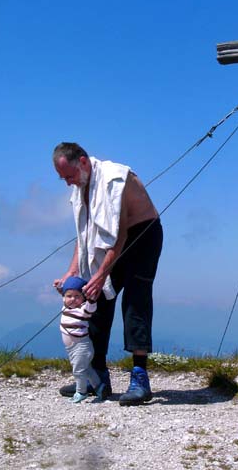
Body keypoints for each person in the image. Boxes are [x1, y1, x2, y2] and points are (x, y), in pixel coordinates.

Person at [52, 142, 163, 406]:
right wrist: (71, 271)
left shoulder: (114, 180)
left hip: (142, 235)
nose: (68, 183)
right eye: (63, 179)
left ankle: (140, 377)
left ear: (83, 162)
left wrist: (101, 274)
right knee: (96, 299)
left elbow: (119, 233)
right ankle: (96, 376)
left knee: (135, 302)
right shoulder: (83, 186)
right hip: (113, 242)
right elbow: (86, 232)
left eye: (69, 176)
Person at [60, 276, 105, 403]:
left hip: (82, 347)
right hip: (72, 348)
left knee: (78, 371)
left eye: (77, 296)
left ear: (83, 297)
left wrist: (90, 298)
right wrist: (60, 285)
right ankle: (99, 387)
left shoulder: (83, 309)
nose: (72, 299)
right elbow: (62, 292)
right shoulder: (65, 307)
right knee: (87, 369)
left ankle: (81, 392)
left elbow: (91, 307)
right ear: (64, 297)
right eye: (69, 296)